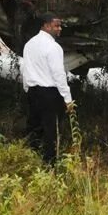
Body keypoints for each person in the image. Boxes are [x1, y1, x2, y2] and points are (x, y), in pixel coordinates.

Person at [20, 13, 74, 164]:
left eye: (60, 25)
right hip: (50, 93)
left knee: (34, 126)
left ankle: (31, 157)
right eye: (56, 25)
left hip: (33, 91)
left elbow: (25, 68)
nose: (60, 29)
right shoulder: (54, 47)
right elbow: (59, 75)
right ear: (45, 25)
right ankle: (50, 162)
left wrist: (27, 88)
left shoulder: (30, 44)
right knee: (51, 129)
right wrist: (67, 98)